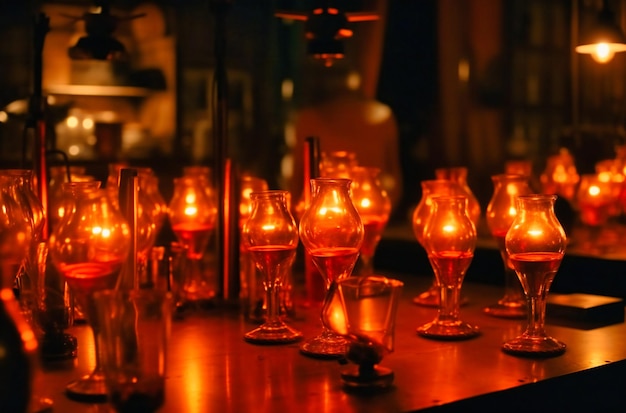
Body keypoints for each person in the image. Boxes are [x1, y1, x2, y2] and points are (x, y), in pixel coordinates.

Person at [290, 60, 403, 211]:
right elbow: (394, 181)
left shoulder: (382, 116)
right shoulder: (308, 119)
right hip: (330, 215)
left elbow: (393, 180)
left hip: (364, 213)